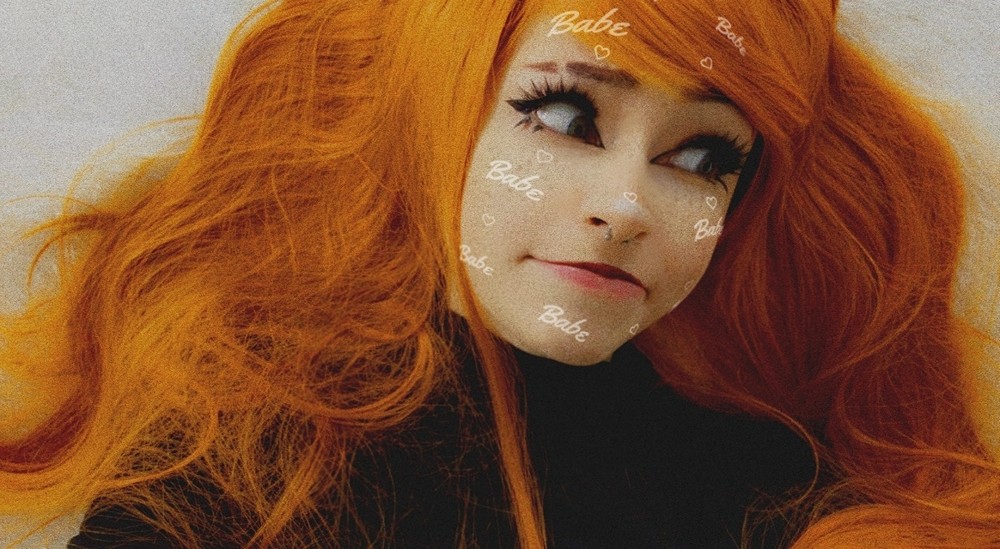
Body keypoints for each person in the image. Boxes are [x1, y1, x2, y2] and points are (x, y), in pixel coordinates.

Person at [2, 0, 999, 546]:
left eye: (704, 158)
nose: (628, 205)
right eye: (564, 116)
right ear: (429, 113)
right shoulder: (236, 456)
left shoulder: (773, 489)